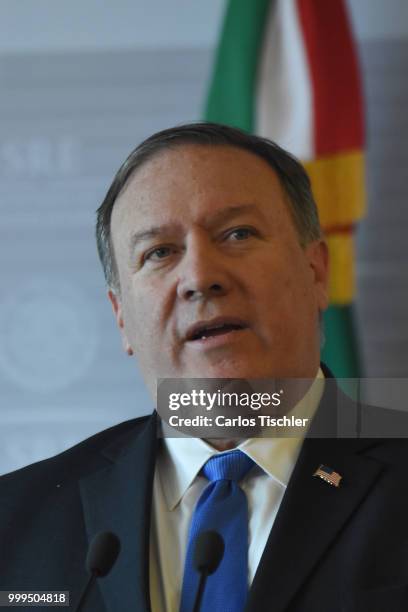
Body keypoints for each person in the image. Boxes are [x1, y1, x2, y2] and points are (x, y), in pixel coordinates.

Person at [1, 122, 408, 612]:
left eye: (237, 233)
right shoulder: (17, 520)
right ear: (121, 317)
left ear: (316, 271)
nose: (199, 277)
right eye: (159, 253)